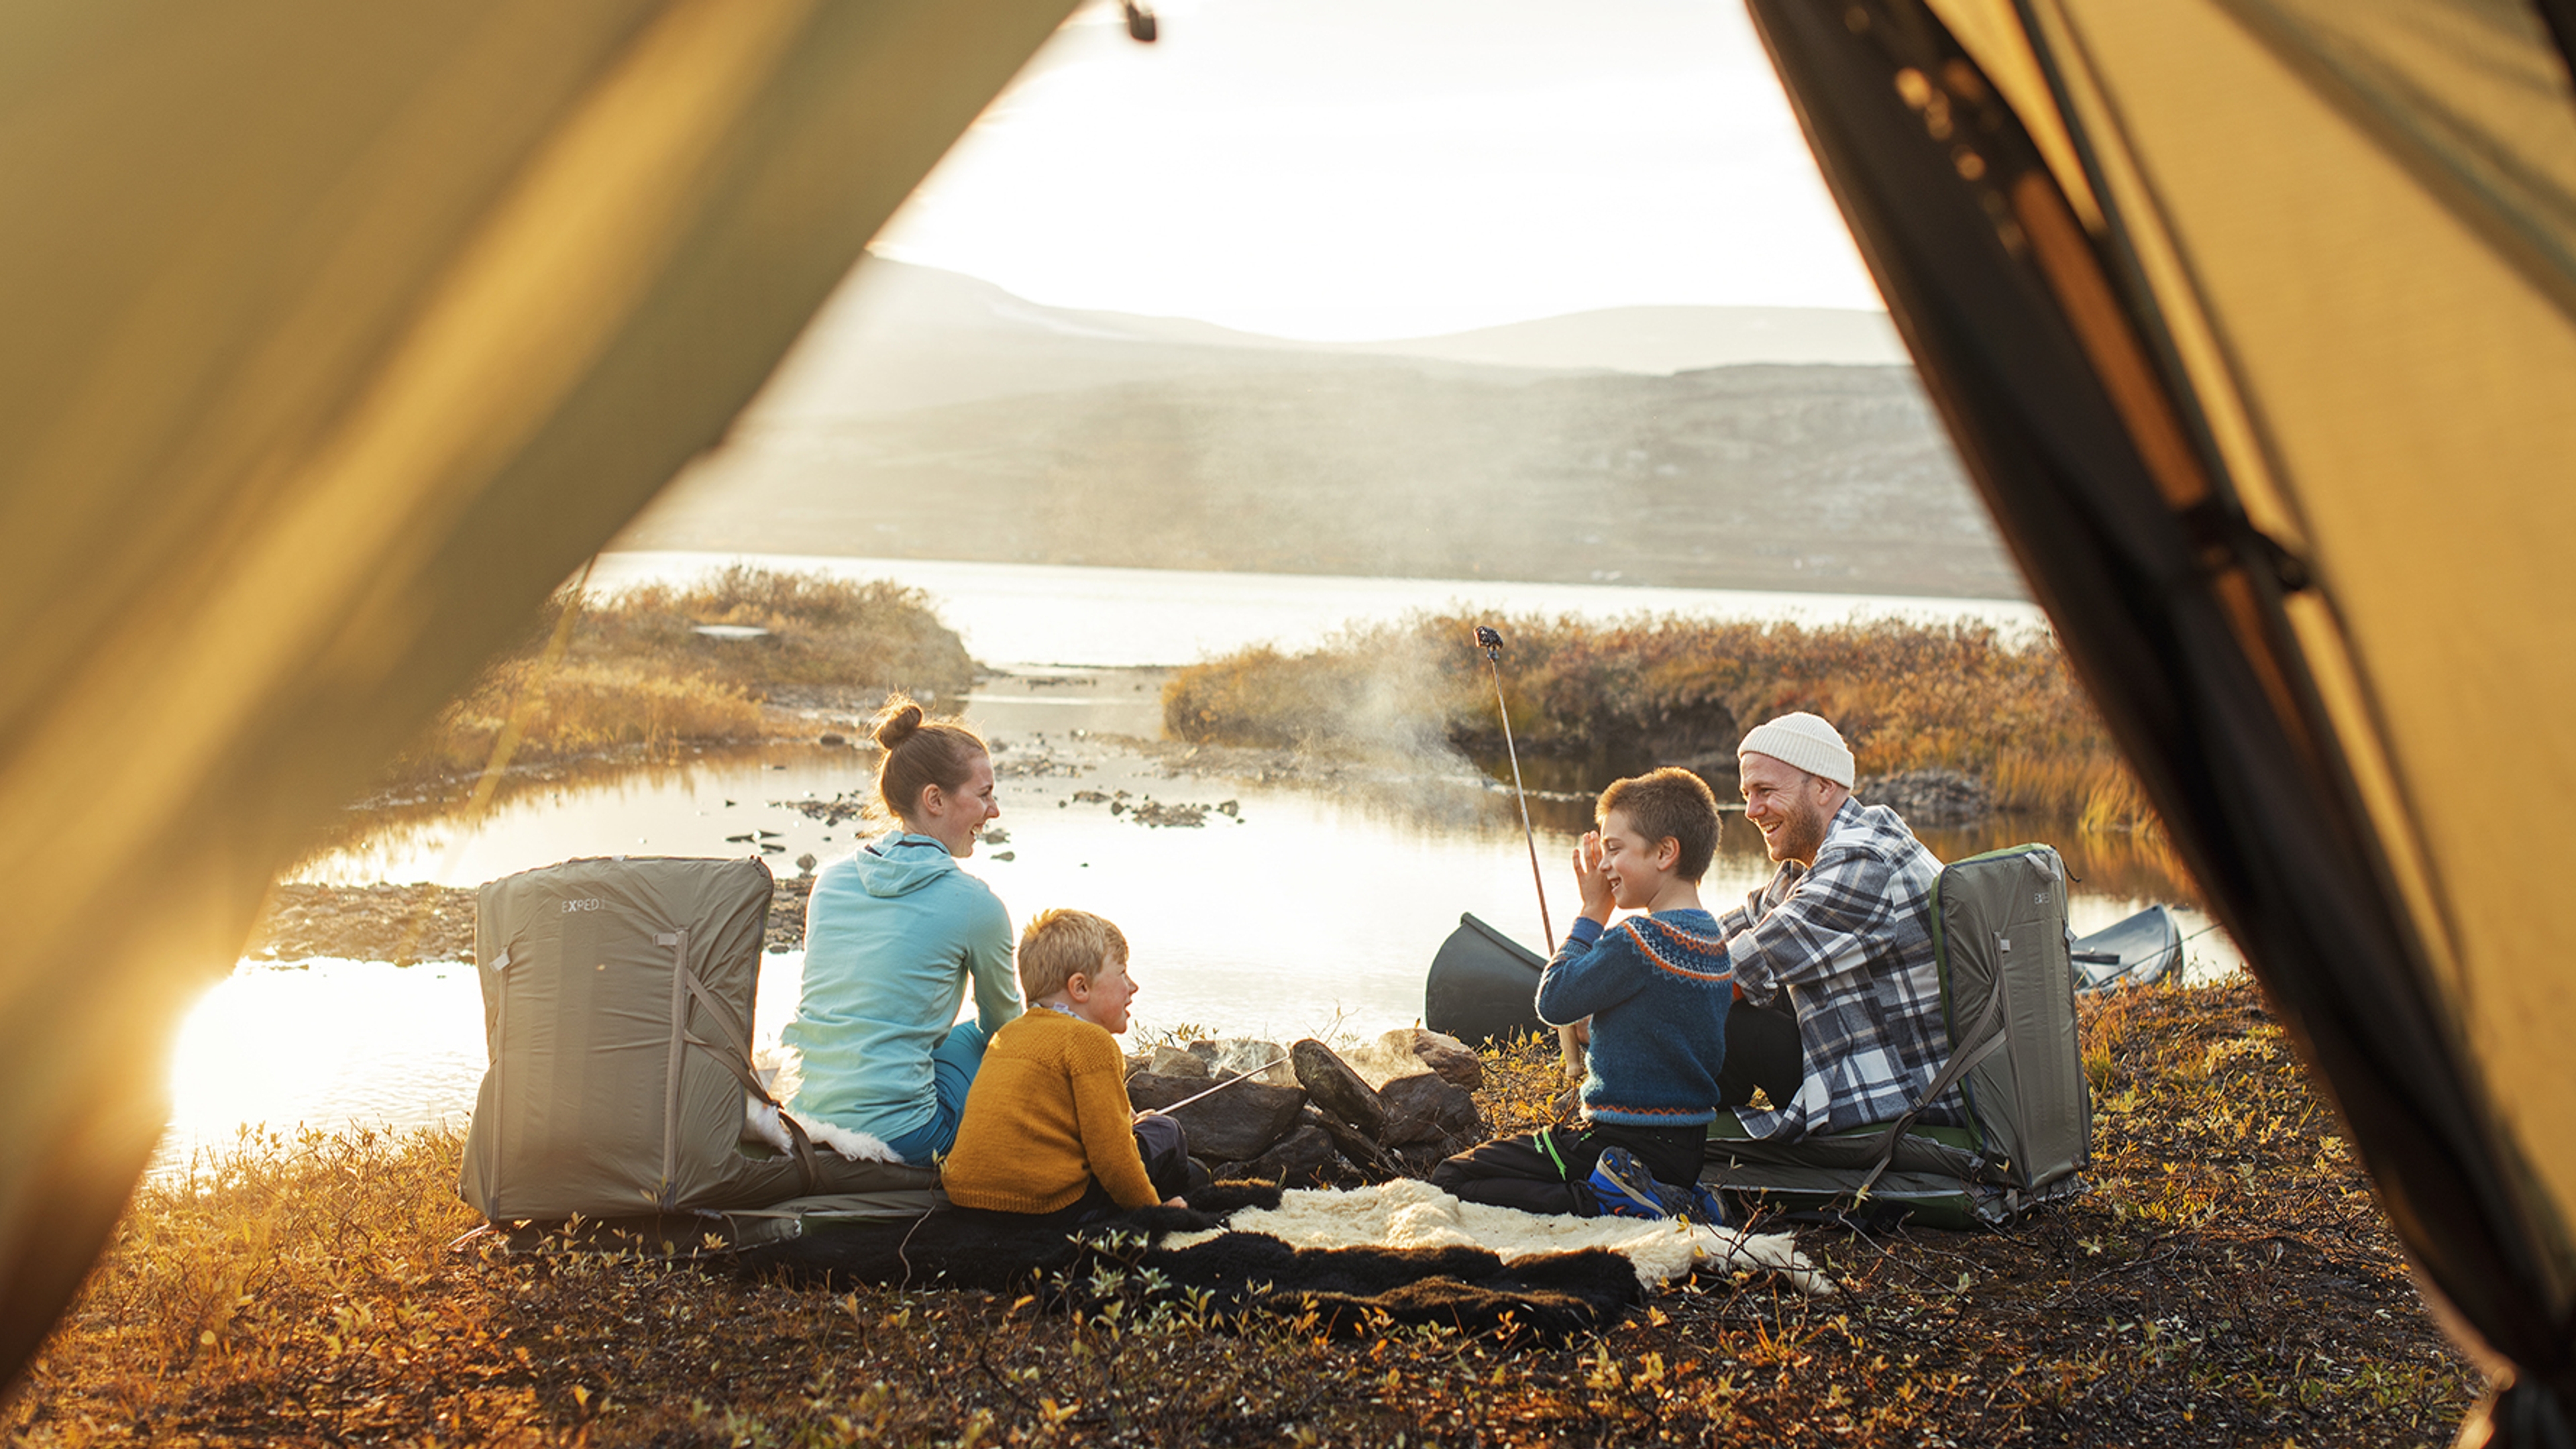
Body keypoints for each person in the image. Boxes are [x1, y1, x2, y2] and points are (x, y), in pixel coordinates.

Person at [1430, 767, 1732, 1221]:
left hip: (1619, 1143)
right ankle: (1675, 1197)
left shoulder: (1638, 940)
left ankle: (1606, 1203)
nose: (1604, 865)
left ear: (1666, 852)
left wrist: (1593, 913)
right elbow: (1662, 1029)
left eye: (1614, 849)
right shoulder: (1715, 943)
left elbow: (1553, 1002)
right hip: (1685, 1151)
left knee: (1453, 1178)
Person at [781, 694, 1022, 1166]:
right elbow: (1005, 1032)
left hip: (806, 1117)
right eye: (985, 794)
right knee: (977, 1034)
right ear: (935, 799)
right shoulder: (976, 904)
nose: (994, 811)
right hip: (908, 1137)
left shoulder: (829, 881)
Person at [1717, 710, 1962, 1140]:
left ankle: (1683, 1141)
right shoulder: (1824, 854)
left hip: (1906, 1093)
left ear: (1824, 787)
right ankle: (1700, 1133)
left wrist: (1624, 999)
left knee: (1723, 1018)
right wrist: (1636, 951)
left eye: (1765, 791)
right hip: (1879, 1058)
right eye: (1747, 793)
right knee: (1731, 1001)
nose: (1751, 810)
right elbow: (1744, 924)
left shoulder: (1864, 860)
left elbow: (1738, 967)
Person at [941, 909, 1193, 1220]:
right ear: (1081, 988)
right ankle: (1176, 1204)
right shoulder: (1091, 1043)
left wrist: (1127, 1121)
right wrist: (1153, 1214)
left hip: (970, 1200)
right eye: (1123, 973)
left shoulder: (1009, 1033)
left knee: (1153, 1138)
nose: (1133, 986)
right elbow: (1113, 1158)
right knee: (1166, 1131)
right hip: (1047, 1207)